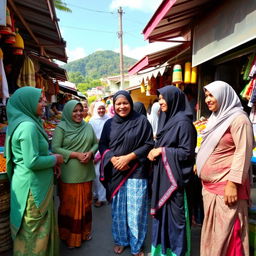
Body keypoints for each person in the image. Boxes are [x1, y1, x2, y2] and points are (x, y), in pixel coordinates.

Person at [196, 81, 254, 256]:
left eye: (211, 95)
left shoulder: (239, 120)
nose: (207, 99)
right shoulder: (216, 119)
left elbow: (243, 152)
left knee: (227, 236)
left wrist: (233, 183)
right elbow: (212, 147)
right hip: (210, 189)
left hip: (226, 189)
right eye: (206, 95)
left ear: (224, 96)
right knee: (214, 235)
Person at [5, 86, 64, 256]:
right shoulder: (28, 127)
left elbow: (31, 156)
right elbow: (32, 161)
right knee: (34, 233)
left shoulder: (20, 122)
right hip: (33, 188)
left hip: (27, 182)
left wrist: (51, 161)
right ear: (27, 103)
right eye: (39, 100)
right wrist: (56, 159)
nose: (44, 102)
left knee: (29, 231)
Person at [99, 90, 154, 256]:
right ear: (114, 106)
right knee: (119, 210)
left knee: (136, 211)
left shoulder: (141, 121)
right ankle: (121, 240)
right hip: (116, 173)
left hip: (136, 171)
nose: (122, 107)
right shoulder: (109, 124)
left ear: (130, 103)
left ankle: (136, 245)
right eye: (118, 104)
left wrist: (129, 158)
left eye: (125, 103)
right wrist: (113, 159)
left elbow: (148, 144)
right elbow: (102, 145)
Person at [147, 85, 197, 256]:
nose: (160, 102)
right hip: (163, 179)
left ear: (174, 99)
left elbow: (187, 153)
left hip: (176, 183)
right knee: (163, 220)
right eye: (159, 98)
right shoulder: (167, 119)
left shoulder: (184, 123)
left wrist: (161, 151)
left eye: (163, 98)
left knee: (176, 222)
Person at [51, 100, 98, 248]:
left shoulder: (88, 126)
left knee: (85, 205)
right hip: (69, 175)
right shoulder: (61, 127)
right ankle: (68, 236)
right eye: (74, 111)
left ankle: (84, 232)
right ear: (68, 112)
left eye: (80, 110)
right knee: (69, 206)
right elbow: (55, 148)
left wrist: (91, 153)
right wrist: (76, 155)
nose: (78, 113)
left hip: (86, 173)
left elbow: (95, 143)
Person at [89, 101, 110, 207]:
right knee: (94, 175)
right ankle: (96, 194)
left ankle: (102, 198)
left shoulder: (109, 119)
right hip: (94, 150)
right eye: (99, 108)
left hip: (105, 150)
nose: (101, 110)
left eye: (103, 108)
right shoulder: (92, 121)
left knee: (101, 174)